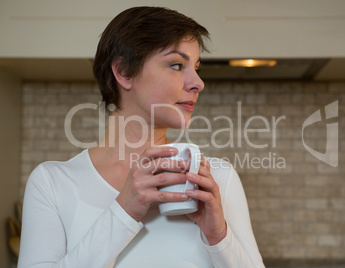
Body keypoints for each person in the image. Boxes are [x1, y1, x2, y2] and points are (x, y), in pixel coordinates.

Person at [18, 6, 265, 268]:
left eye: (196, 67)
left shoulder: (217, 180)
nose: (198, 83)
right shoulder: (52, 183)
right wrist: (124, 210)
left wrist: (219, 237)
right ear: (124, 72)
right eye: (177, 65)